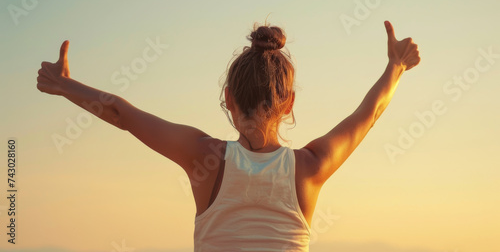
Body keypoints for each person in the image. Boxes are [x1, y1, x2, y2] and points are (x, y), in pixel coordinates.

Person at [36, 20, 420, 251]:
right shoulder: (310, 167)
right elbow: (369, 114)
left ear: (228, 99)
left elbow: (122, 114)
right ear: (288, 104)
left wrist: (65, 85)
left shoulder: (204, 157)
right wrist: (396, 66)